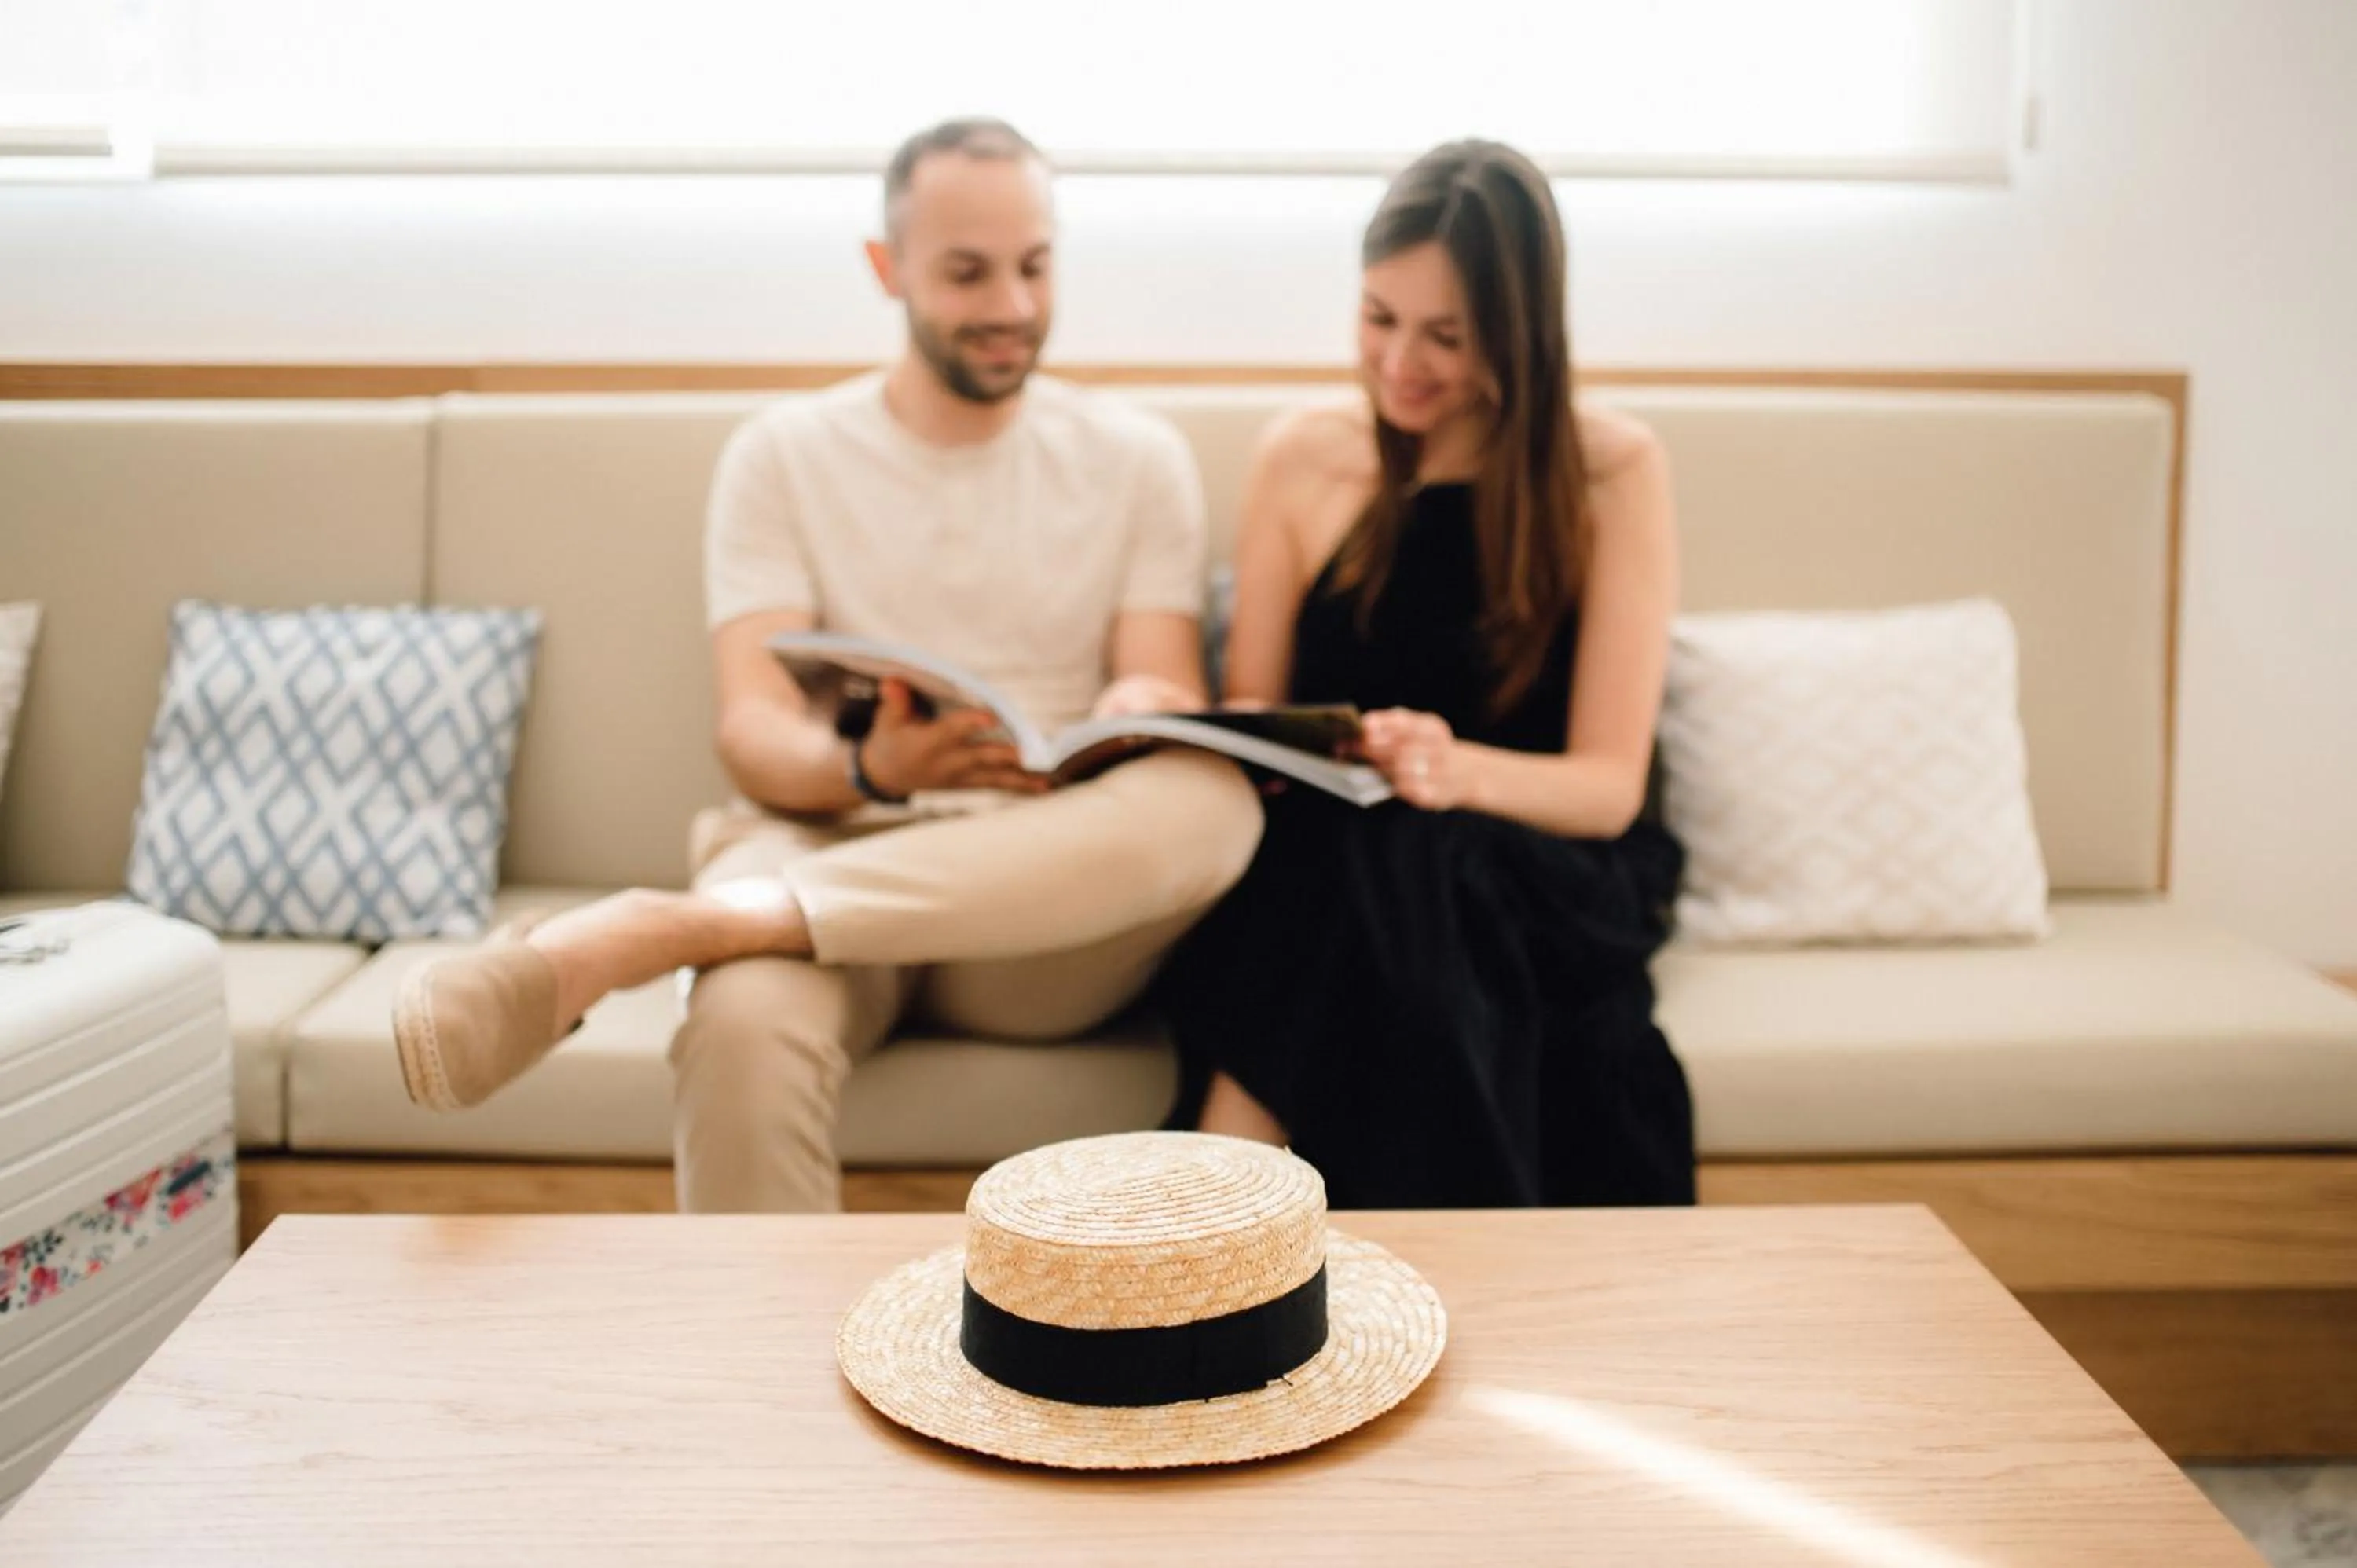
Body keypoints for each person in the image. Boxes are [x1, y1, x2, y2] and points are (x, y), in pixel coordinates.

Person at [391, 118, 1263, 1212]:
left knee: (1211, 798)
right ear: (885, 268)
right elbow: (753, 731)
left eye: (1035, 266)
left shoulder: (1138, 460)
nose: (1012, 306)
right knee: (744, 1023)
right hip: (835, 843)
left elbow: (1161, 677)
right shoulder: (783, 456)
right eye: (967, 272)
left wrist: (1143, 708)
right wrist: (873, 770)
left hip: (1040, 912)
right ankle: (760, 1378)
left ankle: (667, 928)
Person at [1159, 139, 1693, 1208]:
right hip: (1334, 847)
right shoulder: (1302, 459)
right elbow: (1255, 733)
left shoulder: (1609, 471)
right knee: (1364, 861)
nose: (1401, 361)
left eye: (1445, 335)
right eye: (1378, 318)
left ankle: (1214, 1196)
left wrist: (1453, 770)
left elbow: (1606, 788)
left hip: (1543, 860)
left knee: (1408, 853)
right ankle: (1428, 1259)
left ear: (1517, 333)